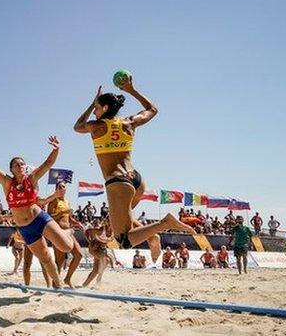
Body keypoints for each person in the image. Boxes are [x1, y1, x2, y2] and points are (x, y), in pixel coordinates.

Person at [73, 78, 195, 258]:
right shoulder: (129, 122)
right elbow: (152, 110)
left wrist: (91, 104)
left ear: (104, 108)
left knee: (123, 240)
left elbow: (77, 126)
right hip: (136, 179)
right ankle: (152, 237)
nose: (95, 111)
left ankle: (165, 223)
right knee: (123, 221)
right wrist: (132, 90)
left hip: (118, 182)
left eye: (97, 108)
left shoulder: (97, 126)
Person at [0, 136, 74, 289]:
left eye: (22, 164)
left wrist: (56, 149)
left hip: (39, 218)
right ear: (11, 169)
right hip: (25, 228)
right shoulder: (7, 182)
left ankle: (68, 232)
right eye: (16, 165)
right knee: (45, 258)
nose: (19, 166)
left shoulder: (31, 179)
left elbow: (48, 163)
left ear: (25, 167)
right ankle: (58, 284)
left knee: (66, 247)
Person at [47, 181, 83, 288]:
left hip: (68, 231)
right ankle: (56, 284)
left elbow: (68, 218)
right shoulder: (53, 201)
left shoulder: (66, 201)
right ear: (56, 189)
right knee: (60, 260)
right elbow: (48, 219)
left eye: (64, 187)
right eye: (61, 187)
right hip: (58, 232)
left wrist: (76, 223)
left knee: (79, 255)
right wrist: (61, 213)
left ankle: (67, 278)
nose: (63, 189)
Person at [82, 222, 113, 287]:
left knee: (95, 270)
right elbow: (87, 231)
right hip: (94, 248)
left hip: (101, 249)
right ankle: (98, 279)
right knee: (106, 260)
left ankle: (85, 284)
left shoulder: (113, 231)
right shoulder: (100, 229)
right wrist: (89, 241)